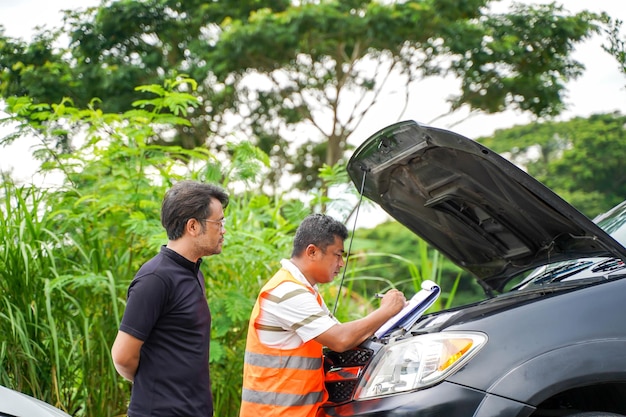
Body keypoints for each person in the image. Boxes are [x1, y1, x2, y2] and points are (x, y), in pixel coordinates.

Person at [239, 213, 406, 417]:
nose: (342, 263)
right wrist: (386, 311)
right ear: (312, 252)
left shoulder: (305, 290)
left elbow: (349, 334)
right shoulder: (287, 293)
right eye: (337, 254)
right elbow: (340, 339)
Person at [111, 180, 229, 417]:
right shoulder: (156, 278)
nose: (223, 229)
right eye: (219, 222)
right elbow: (122, 356)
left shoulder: (193, 272)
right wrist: (158, 388)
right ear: (193, 226)